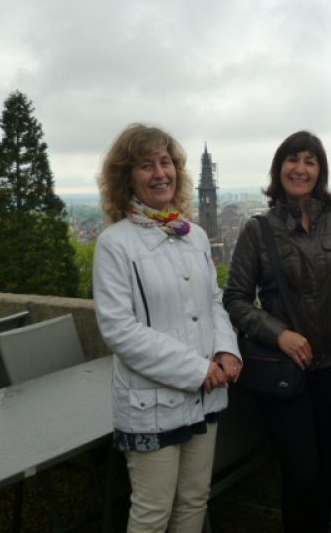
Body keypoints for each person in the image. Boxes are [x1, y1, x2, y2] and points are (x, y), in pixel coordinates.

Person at [224, 130, 331, 533]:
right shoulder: (258, 230)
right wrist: (279, 334)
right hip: (284, 370)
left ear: (321, 172)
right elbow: (236, 298)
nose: (301, 168)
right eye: (293, 160)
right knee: (300, 473)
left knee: (326, 470)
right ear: (279, 169)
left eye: (310, 161)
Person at [93, 124, 241, 533]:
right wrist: (197, 370)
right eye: (146, 165)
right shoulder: (115, 244)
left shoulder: (193, 236)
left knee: (194, 502)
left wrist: (227, 351)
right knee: (152, 513)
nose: (160, 173)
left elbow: (214, 301)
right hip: (152, 403)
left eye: (166, 163)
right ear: (127, 177)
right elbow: (119, 330)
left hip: (204, 396)